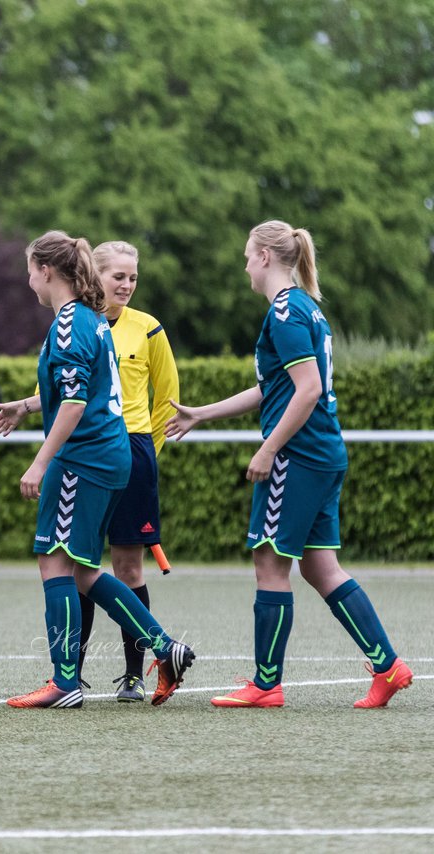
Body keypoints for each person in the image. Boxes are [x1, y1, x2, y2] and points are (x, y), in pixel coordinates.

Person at [167, 221, 413, 709]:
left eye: (246, 256)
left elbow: (308, 390)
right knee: (321, 568)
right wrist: (202, 412)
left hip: (298, 456)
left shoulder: (284, 311)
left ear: (263, 257)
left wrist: (268, 449)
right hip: (322, 453)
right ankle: (388, 667)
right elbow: (275, 387)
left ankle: (265, 684)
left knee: (269, 562)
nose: (243, 267)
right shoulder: (305, 308)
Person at [0, 230, 193, 709]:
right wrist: (26, 405)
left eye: (29, 270)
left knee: (53, 560)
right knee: (81, 569)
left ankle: (64, 683)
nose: (28, 280)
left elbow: (76, 403)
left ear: (46, 271)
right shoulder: (90, 319)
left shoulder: (69, 324)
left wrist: (41, 461)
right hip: (109, 453)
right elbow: (81, 391)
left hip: (83, 458)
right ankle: (165, 649)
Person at [74, 241, 179, 702]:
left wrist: (145, 453)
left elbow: (167, 398)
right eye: (118, 276)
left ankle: (135, 674)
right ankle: (69, 674)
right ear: (95, 276)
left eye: (133, 277)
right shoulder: (78, 322)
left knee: (128, 565)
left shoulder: (149, 328)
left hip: (133, 452)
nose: (127, 284)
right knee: (80, 563)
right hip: (87, 452)